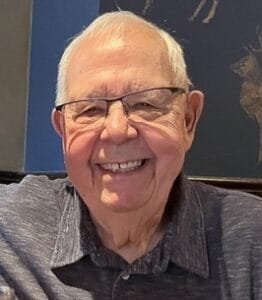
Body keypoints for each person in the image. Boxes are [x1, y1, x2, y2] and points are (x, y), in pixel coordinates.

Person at [0, 11, 261, 300]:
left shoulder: (252, 242)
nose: (116, 130)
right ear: (62, 130)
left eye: (146, 103)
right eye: (90, 109)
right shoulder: (7, 229)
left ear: (188, 118)